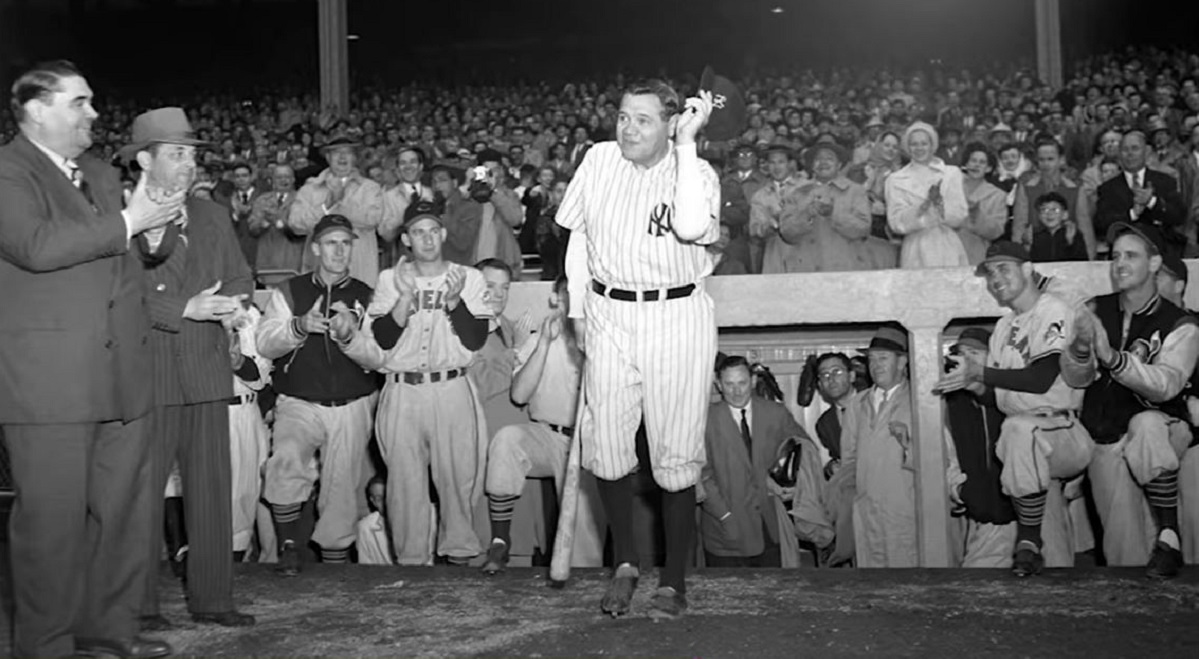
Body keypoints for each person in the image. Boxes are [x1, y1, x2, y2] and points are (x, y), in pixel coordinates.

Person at [0, 59, 182, 659]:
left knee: (122, 517)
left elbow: (130, 255)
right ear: (36, 110)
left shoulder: (102, 175)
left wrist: (156, 232)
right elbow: (36, 246)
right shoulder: (7, 171)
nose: (94, 114)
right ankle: (46, 645)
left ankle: (108, 632)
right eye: (80, 102)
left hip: (120, 375)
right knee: (50, 527)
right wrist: (132, 219)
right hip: (49, 383)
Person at [557, 80, 720, 619]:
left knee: (674, 457)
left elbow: (695, 226)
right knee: (606, 448)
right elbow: (578, 238)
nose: (628, 128)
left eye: (643, 120)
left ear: (671, 124)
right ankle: (626, 563)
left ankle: (674, 580)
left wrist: (688, 144)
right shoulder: (600, 159)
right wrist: (578, 309)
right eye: (624, 116)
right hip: (608, 312)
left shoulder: (695, 171)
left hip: (676, 315)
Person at [122, 107, 256, 632]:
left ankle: (213, 597)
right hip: (147, 375)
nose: (188, 165)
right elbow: (118, 297)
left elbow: (241, 277)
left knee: (211, 491)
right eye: (176, 154)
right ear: (144, 159)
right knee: (138, 498)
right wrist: (184, 310)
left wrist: (235, 304)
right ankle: (135, 605)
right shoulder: (118, 218)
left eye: (192, 155)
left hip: (203, 369)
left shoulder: (212, 215)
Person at [341, 200, 492, 566]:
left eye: (432, 230)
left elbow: (475, 340)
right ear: (406, 238)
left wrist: (455, 304)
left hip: (451, 388)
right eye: (418, 232)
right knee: (405, 490)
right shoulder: (389, 279)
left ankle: (458, 566)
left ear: (442, 233)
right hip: (402, 390)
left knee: (457, 484)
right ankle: (411, 571)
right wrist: (404, 299)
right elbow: (382, 339)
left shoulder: (468, 277)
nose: (427, 238)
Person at [936, 241, 1093, 576]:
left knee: (1020, 430)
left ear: (1026, 269)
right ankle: (1032, 545)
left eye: (1003, 269)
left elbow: (1040, 379)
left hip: (1060, 431)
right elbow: (1002, 397)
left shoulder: (1053, 309)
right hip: (1027, 451)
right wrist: (976, 386)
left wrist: (979, 372)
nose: (995, 279)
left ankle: (1028, 539)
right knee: (1052, 569)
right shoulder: (1004, 328)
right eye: (990, 273)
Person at [1063, 222, 1199, 579]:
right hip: (1105, 437)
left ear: (1155, 264)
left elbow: (1167, 384)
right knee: (1122, 551)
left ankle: (1169, 533)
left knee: (1147, 424)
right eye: (1115, 256)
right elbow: (1076, 378)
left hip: (1165, 428)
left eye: (1131, 256)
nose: (1119, 263)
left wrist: (1115, 359)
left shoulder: (1181, 324)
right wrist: (1079, 351)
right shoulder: (1095, 308)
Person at [256, 214, 380, 575]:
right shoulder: (291, 291)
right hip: (299, 400)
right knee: (286, 460)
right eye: (331, 243)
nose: (339, 250)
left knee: (341, 490)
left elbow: (379, 357)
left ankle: (335, 565)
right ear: (315, 248)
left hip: (352, 402)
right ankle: (289, 546)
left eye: (345, 243)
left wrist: (349, 336)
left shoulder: (365, 294)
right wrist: (298, 326)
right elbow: (265, 342)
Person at [481, 276, 605, 573]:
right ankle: (500, 540)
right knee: (508, 440)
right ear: (557, 301)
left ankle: (581, 600)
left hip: (590, 442)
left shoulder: (607, 338)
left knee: (582, 545)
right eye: (566, 298)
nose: (572, 305)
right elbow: (519, 394)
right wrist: (544, 345)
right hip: (548, 436)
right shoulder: (542, 338)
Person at [699, 355, 807, 567]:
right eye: (729, 384)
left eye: (742, 383)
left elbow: (804, 449)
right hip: (724, 531)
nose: (736, 391)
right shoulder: (704, 419)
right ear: (718, 385)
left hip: (769, 527)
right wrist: (724, 516)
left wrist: (795, 485)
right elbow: (701, 472)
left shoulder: (776, 413)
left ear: (754, 381)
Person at [829, 326, 917, 567]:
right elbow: (849, 462)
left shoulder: (921, 402)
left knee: (909, 584)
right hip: (866, 515)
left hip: (906, 515)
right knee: (872, 587)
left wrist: (908, 446)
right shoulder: (858, 404)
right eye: (871, 359)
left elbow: (941, 463)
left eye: (883, 358)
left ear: (902, 362)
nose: (876, 365)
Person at [940, 328, 1016, 568]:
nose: (967, 360)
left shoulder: (1011, 393)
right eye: (961, 354)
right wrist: (959, 490)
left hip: (1015, 515)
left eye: (974, 352)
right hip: (978, 515)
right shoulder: (954, 401)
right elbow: (947, 452)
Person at [289, 135, 386, 286]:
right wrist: (327, 205)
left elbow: (372, 219)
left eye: (347, 152)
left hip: (359, 272)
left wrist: (341, 202)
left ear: (354, 158)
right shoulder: (310, 189)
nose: (342, 157)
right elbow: (296, 224)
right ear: (328, 157)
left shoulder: (370, 188)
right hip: (318, 272)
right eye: (336, 153)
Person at [773, 141, 875, 272]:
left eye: (829, 159)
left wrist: (834, 214)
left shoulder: (855, 191)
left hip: (846, 268)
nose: (823, 163)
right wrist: (805, 214)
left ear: (839, 165)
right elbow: (787, 233)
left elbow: (863, 229)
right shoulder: (797, 193)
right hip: (805, 268)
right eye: (818, 159)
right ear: (811, 166)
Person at [886, 121, 970, 268]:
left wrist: (939, 205)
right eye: (914, 144)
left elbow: (960, 215)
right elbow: (895, 222)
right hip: (915, 247)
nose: (919, 148)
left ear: (933, 145)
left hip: (947, 245)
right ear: (907, 147)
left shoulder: (951, 173)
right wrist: (922, 208)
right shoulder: (895, 179)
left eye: (924, 143)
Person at [226, 304, 272, 562]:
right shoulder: (190, 303)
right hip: (196, 410)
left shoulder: (248, 313)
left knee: (242, 496)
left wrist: (239, 362)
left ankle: (235, 569)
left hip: (240, 409)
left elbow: (261, 376)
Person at [1095, 131, 1186, 247]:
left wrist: (1152, 202)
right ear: (1119, 154)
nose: (1130, 154)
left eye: (1135, 148)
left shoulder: (1165, 182)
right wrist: (1133, 213)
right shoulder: (1107, 188)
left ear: (1146, 152)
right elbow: (1101, 225)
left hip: (1162, 249)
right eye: (1125, 150)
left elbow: (1179, 216)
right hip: (1124, 250)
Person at [957, 143, 1011, 265]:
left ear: (988, 168)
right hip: (947, 251)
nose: (976, 165)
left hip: (976, 253)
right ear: (965, 164)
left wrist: (976, 213)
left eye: (982, 162)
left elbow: (996, 231)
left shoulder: (998, 195)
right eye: (973, 161)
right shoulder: (951, 187)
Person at [248, 164, 305, 277]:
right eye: (279, 177)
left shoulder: (302, 199)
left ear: (293, 179)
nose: (283, 180)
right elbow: (252, 230)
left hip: (293, 258)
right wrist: (263, 224)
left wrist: (281, 223)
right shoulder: (262, 200)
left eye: (287, 177)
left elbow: (304, 229)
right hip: (267, 258)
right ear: (272, 180)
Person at [1029, 192, 1088, 263]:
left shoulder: (1073, 234)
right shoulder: (1036, 237)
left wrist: (1071, 243)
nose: (1050, 214)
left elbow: (1082, 262)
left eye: (1055, 210)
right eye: (1044, 210)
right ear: (1039, 216)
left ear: (1065, 215)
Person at [356, 477, 395, 565]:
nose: (386, 503)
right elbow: (365, 566)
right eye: (379, 499)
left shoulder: (422, 519)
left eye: (388, 496)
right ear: (373, 501)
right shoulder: (365, 528)